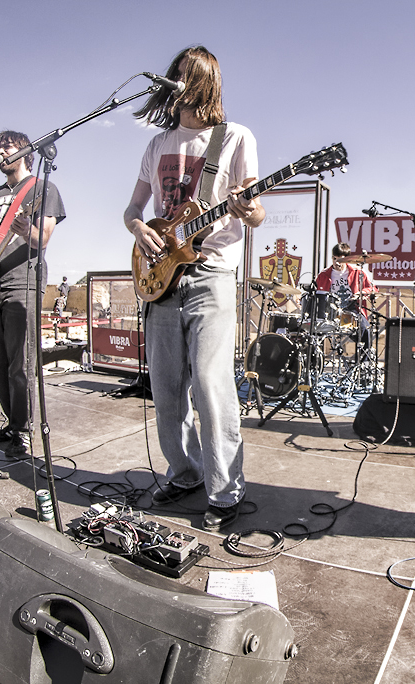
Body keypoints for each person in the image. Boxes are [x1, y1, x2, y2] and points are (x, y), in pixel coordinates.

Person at [123, 45, 264, 532]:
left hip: (212, 272)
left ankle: (226, 489)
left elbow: (256, 209)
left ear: (204, 81)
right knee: (165, 386)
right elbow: (133, 209)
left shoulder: (234, 137)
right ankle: (184, 473)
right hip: (162, 275)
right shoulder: (159, 144)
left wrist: (248, 210)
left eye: (185, 75)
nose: (176, 81)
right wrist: (137, 228)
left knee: (210, 381)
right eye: (175, 74)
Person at [0, 130, 66, 459]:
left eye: (6, 147)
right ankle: (12, 421)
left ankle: (24, 430)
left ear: (24, 151)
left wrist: (28, 230)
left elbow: (44, 238)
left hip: (23, 277)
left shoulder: (41, 188)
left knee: (20, 362)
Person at [314, 242, 377, 356]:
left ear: (347, 259)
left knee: (365, 331)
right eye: (334, 259)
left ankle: (362, 366)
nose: (337, 263)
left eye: (341, 260)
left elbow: (372, 288)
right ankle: (313, 365)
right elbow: (316, 293)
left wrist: (361, 293)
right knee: (312, 332)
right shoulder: (323, 275)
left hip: (352, 310)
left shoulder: (358, 272)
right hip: (330, 312)